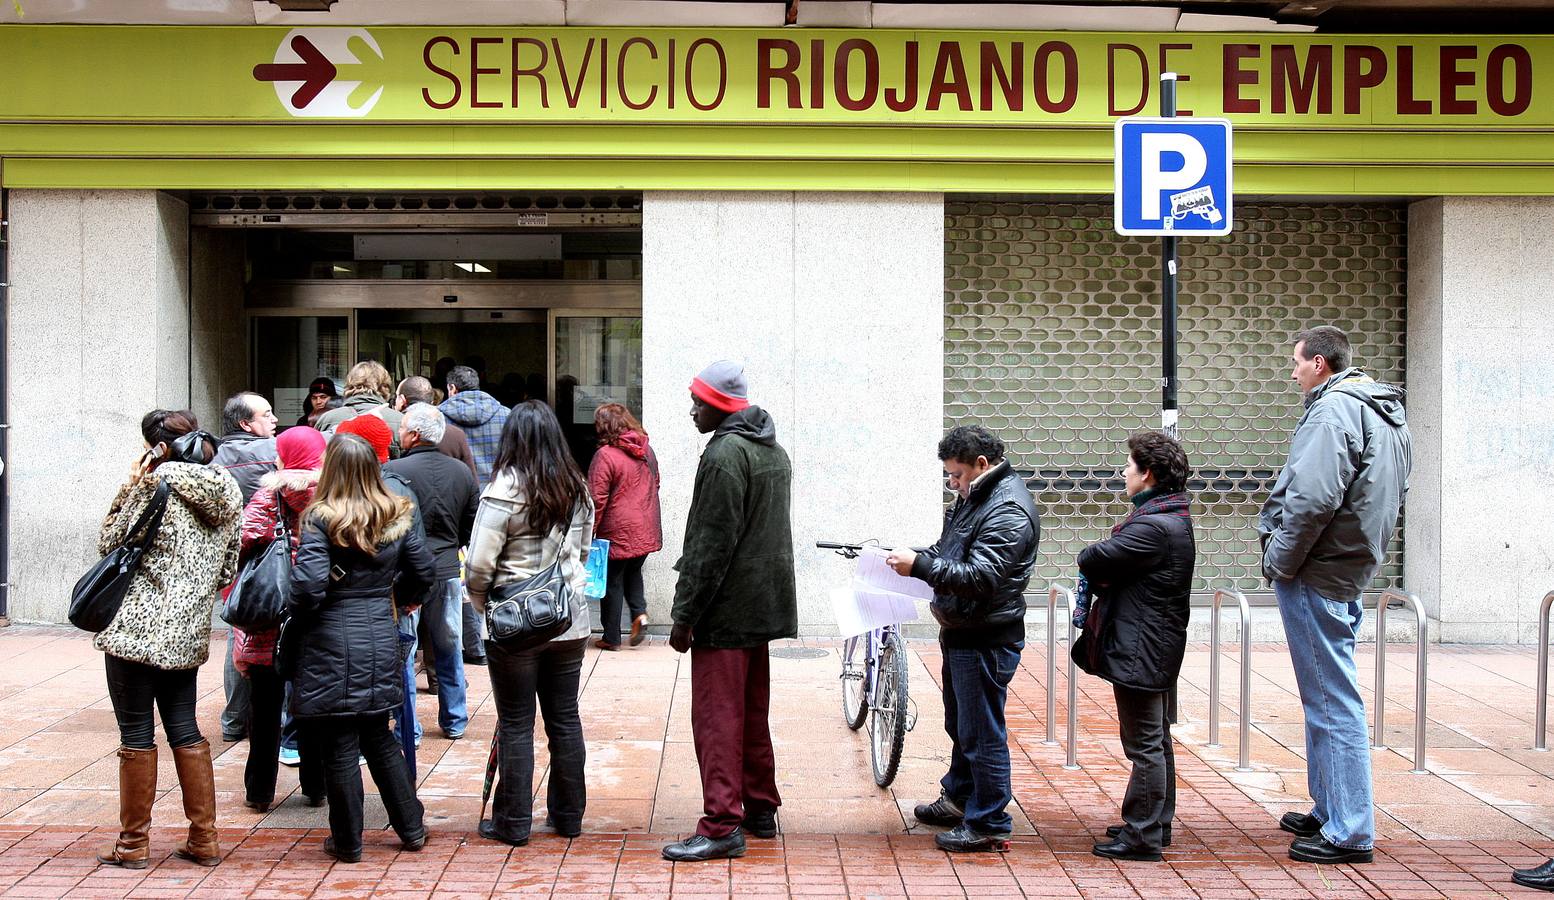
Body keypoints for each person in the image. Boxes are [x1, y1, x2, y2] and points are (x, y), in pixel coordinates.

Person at [1259, 325, 1410, 866]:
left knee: (1330, 700)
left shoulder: (1332, 411)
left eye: (1296, 362)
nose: (1292, 372)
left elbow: (1313, 498)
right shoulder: (1382, 410)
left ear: (1319, 363)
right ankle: (1330, 807)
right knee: (1324, 696)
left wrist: (1279, 559)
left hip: (1318, 570)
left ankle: (1349, 829)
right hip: (1348, 566)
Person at [662, 362, 796, 863]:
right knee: (751, 715)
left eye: (697, 402)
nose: (692, 410)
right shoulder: (771, 449)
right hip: (760, 604)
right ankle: (760, 808)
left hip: (725, 610)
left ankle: (721, 824)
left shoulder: (724, 454)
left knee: (717, 720)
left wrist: (684, 615)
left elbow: (709, 545)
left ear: (718, 405)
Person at [95, 410, 242, 870]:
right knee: (185, 728)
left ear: (157, 447)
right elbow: (228, 568)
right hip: (186, 629)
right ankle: (205, 839)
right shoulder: (228, 489)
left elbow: (110, 542)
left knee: (136, 733)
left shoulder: (153, 484)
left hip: (136, 629)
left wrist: (131, 484)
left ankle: (133, 844)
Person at [888, 425, 1038, 854]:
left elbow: (981, 577)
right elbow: (949, 551)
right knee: (962, 724)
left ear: (981, 464)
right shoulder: (976, 497)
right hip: (963, 630)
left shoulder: (1007, 508)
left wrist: (919, 567)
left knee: (982, 732)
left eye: (956, 474)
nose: (952, 483)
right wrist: (910, 558)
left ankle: (989, 821)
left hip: (986, 636)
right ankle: (959, 797)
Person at [287, 433, 434, 863]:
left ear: (331, 469)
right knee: (378, 734)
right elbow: (424, 571)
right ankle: (411, 828)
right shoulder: (397, 512)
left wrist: (305, 611)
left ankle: (348, 842)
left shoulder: (320, 517)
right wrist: (400, 598)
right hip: (379, 631)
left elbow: (308, 587)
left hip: (329, 637)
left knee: (339, 744)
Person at [465, 401, 595, 847]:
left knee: (516, 722)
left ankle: (513, 822)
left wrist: (482, 606)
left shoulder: (503, 490)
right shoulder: (577, 487)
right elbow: (582, 552)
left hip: (513, 624)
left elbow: (478, 566)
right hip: (568, 618)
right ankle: (569, 816)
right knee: (565, 718)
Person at [1073, 432, 1194, 862]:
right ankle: (1156, 823)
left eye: (1129, 466)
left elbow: (1093, 557)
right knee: (1156, 738)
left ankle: (1142, 834)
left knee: (1144, 743)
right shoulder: (1168, 517)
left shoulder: (1153, 526)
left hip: (1143, 647)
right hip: (1153, 642)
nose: (1123, 472)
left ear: (1148, 474)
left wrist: (1092, 553)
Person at [234, 425, 327, 813]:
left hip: (269, 615)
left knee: (264, 708)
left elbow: (242, 542)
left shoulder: (267, 497)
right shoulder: (332, 496)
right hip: (316, 614)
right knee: (313, 706)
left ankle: (259, 791)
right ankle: (316, 786)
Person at [384, 403, 478, 742]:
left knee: (405, 652)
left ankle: (408, 727)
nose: (398, 432)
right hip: (448, 568)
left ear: (414, 434)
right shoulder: (461, 472)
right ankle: (455, 718)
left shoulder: (393, 471)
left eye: (402, 428)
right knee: (449, 646)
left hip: (405, 574)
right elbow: (472, 522)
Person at [212, 392, 280, 745]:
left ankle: (234, 720)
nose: (274, 419)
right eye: (266, 414)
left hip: (234, 561)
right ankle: (275, 720)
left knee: (237, 634)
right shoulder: (274, 453)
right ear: (246, 424)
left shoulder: (214, 460)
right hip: (273, 560)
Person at [440, 363, 511, 668]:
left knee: (463, 571)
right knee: (496, 568)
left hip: (455, 503)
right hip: (497, 500)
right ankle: (497, 634)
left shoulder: (438, 418)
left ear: (451, 388)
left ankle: (470, 643)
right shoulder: (505, 415)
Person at [587, 403, 662, 650]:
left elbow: (597, 498)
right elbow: (656, 483)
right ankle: (639, 614)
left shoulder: (605, 455)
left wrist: (590, 531)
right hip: (646, 526)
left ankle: (611, 637)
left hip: (616, 530)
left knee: (612, 580)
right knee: (633, 571)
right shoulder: (647, 450)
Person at [316, 360, 405, 458]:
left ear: (350, 384)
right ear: (385, 386)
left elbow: (315, 457)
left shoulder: (327, 419)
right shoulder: (400, 421)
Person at [395, 376, 477, 477]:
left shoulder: (390, 425)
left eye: (396, 396)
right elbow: (470, 479)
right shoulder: (456, 434)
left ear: (402, 400)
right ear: (432, 401)